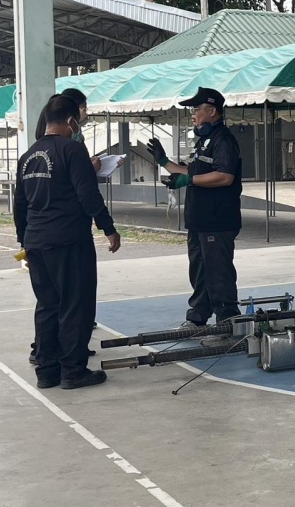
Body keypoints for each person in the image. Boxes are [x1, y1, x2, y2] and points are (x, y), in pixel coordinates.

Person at [14, 95, 121, 390]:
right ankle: (73, 370)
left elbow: (19, 204)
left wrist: (24, 240)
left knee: (48, 306)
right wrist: (108, 227)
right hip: (68, 240)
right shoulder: (73, 150)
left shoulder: (29, 156)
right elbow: (88, 194)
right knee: (75, 304)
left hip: (36, 241)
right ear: (72, 121)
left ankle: (47, 371)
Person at [147, 87, 243, 327]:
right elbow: (192, 171)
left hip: (217, 220)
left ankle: (228, 320)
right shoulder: (203, 142)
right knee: (200, 271)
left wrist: (188, 180)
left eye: (196, 109)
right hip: (199, 219)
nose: (192, 114)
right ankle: (198, 317)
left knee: (218, 272)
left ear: (212, 111)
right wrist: (164, 162)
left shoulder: (223, 140)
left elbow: (225, 176)